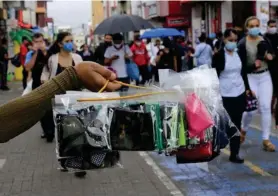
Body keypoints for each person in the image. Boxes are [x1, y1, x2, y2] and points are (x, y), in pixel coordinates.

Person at [0, 62, 121, 143]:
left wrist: (75, 76)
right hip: (59, 102)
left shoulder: (76, 59)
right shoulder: (52, 58)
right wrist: (71, 77)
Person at [212, 29, 251, 163]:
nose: (233, 43)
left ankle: (234, 154)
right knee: (223, 123)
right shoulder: (219, 56)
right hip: (225, 93)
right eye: (230, 40)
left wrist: (247, 88)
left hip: (239, 92)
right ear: (224, 40)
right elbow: (214, 74)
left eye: (235, 40)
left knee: (236, 123)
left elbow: (244, 72)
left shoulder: (240, 53)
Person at [238, 16, 275, 152]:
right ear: (247, 28)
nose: (255, 28)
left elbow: (272, 55)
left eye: (257, 25)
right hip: (250, 77)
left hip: (265, 76)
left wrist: (269, 57)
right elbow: (241, 67)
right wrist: (247, 86)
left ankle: (266, 139)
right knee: (250, 110)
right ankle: (243, 130)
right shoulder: (242, 44)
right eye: (252, 26)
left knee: (265, 107)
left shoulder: (265, 40)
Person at [24, 33, 53, 142]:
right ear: (33, 43)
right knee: (41, 109)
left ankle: (51, 131)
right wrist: (36, 52)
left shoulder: (50, 53)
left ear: (44, 42)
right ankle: (46, 131)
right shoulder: (30, 54)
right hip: (37, 85)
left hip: (50, 84)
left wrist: (45, 52)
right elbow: (28, 68)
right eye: (36, 42)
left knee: (50, 108)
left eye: (41, 41)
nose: (39, 44)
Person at [264, 20, 278, 128]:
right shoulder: (264, 38)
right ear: (267, 26)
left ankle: (275, 111)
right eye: (271, 26)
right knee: (270, 92)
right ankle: (269, 109)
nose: (273, 28)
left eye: (274, 26)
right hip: (268, 69)